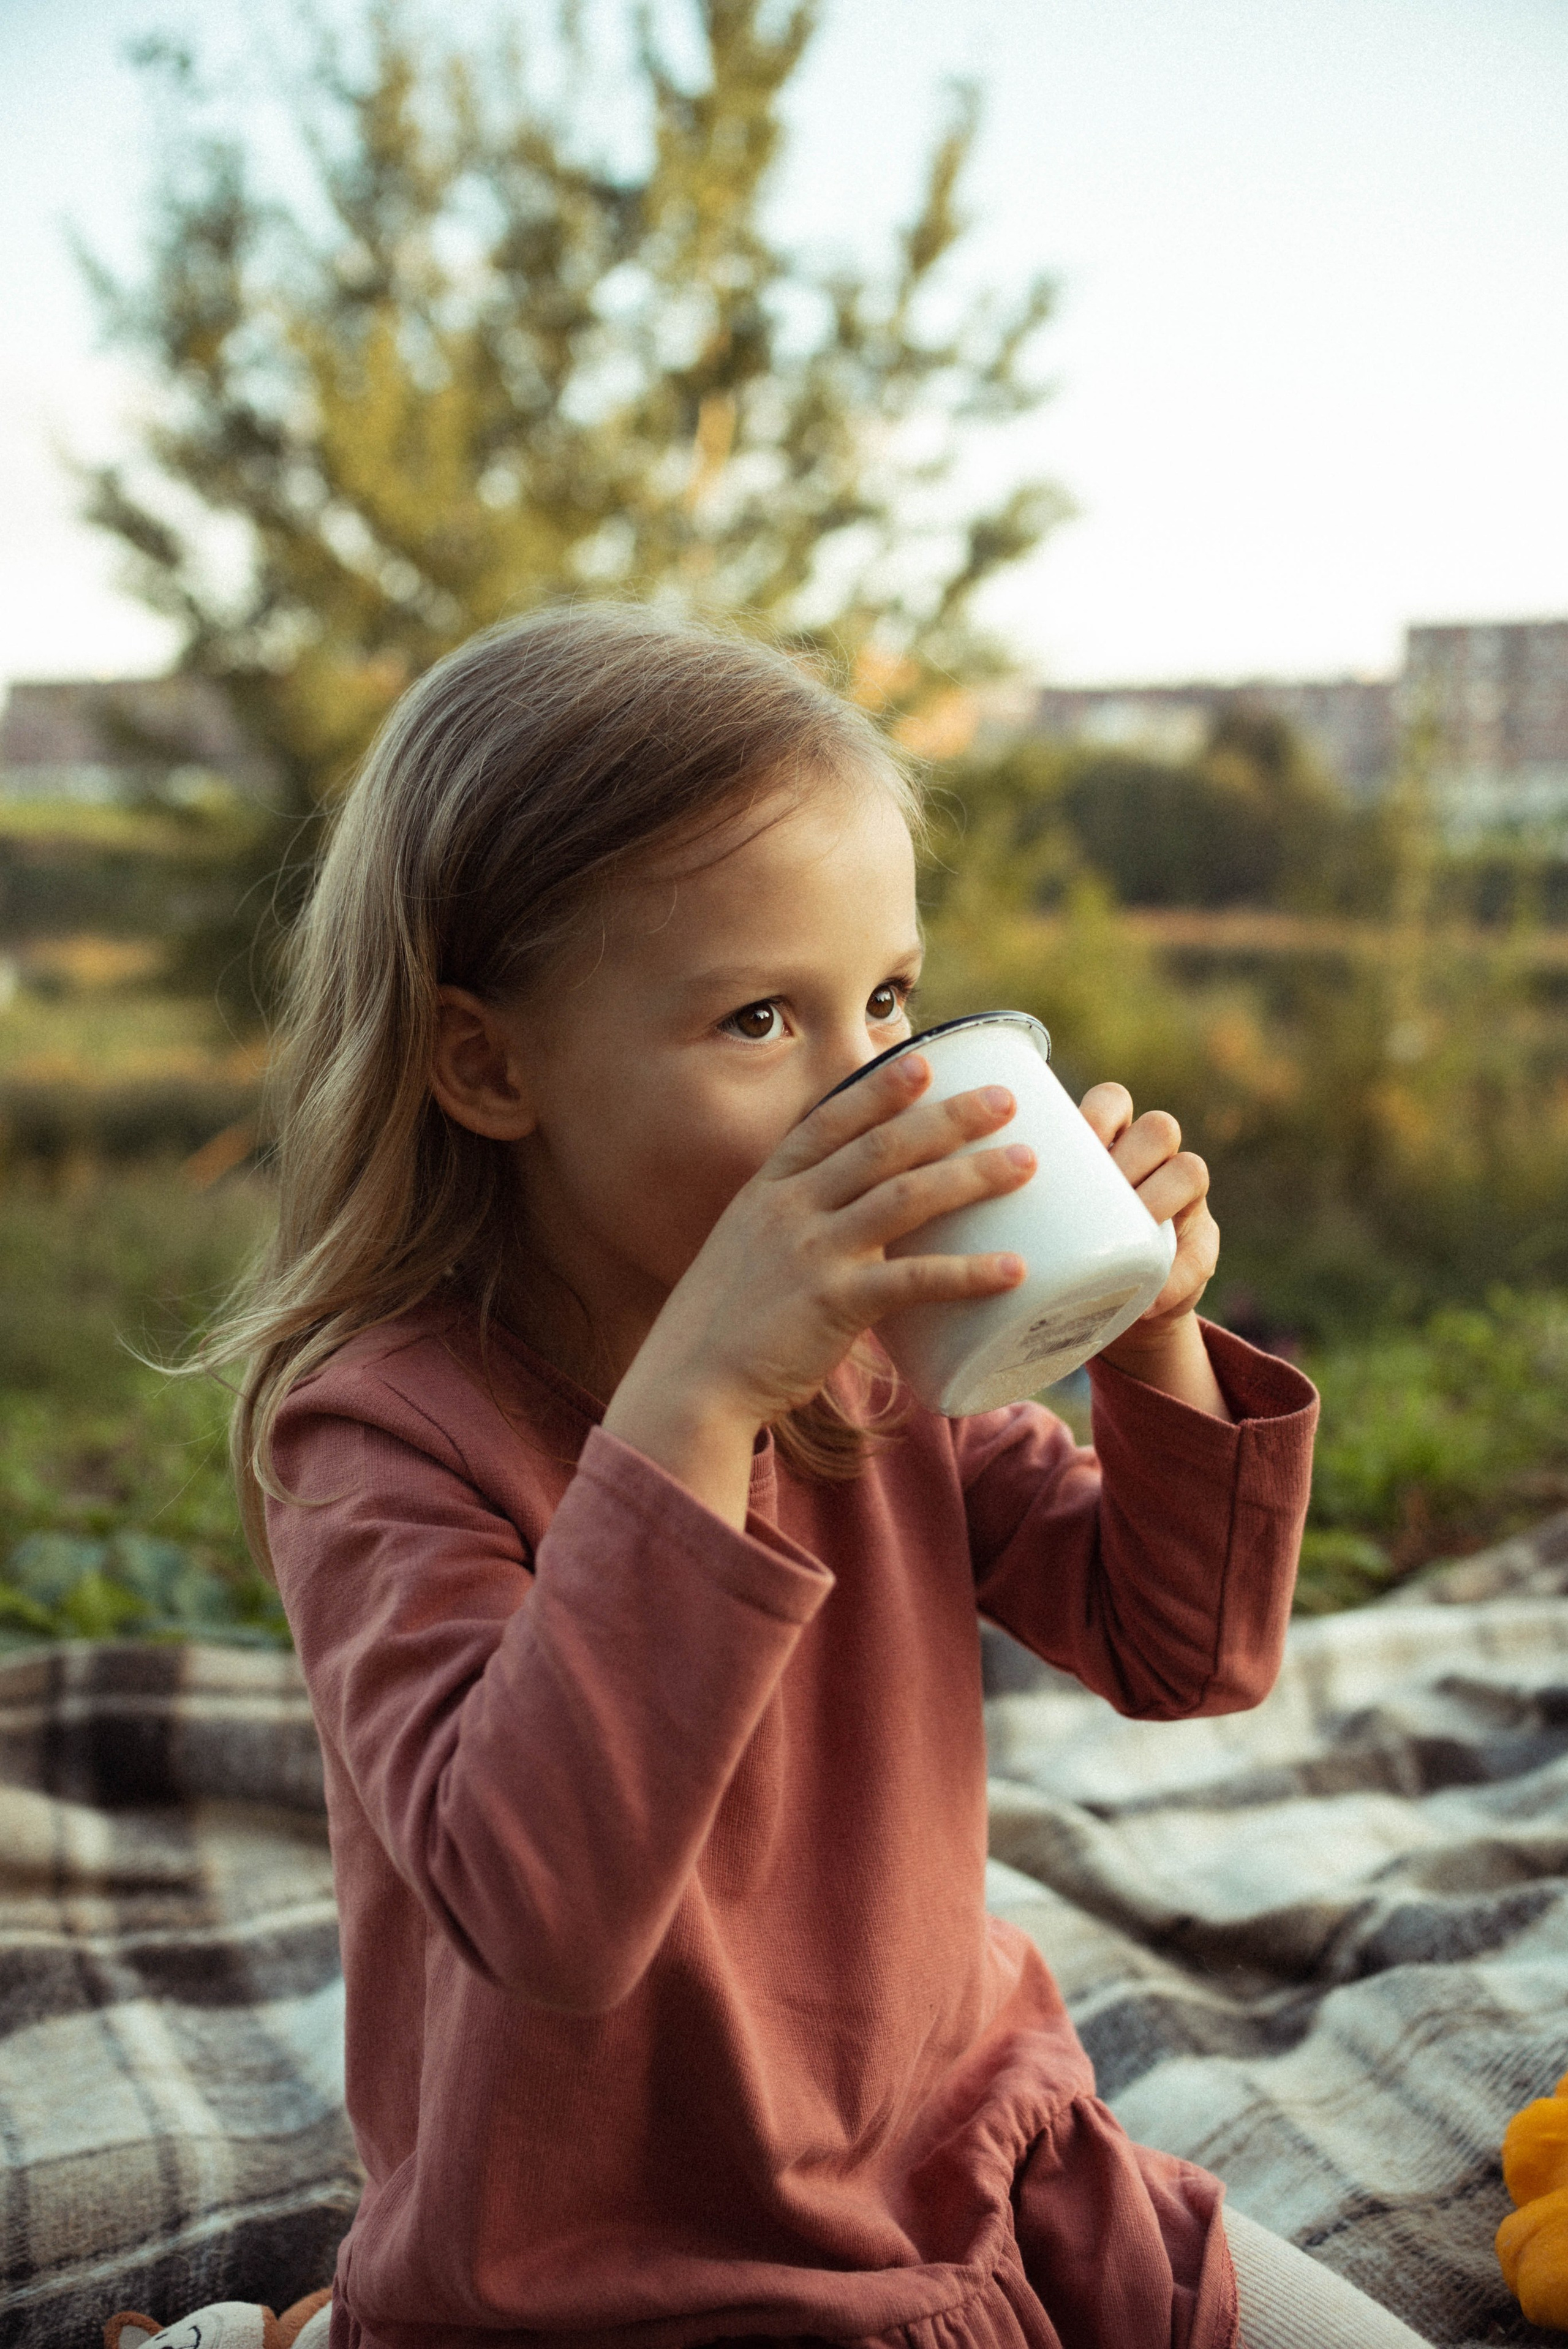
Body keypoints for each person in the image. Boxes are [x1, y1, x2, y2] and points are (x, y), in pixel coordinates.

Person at [214, 605, 1430, 2349]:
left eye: (886, 997)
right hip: (626, 2275)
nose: (869, 1079)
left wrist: (1146, 1336)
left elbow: (1184, 1652)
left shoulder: (881, 1367)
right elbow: (537, 1903)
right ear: (489, 1065)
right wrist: (702, 1392)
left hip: (975, 2170)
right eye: (761, 1015)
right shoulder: (388, 1432)